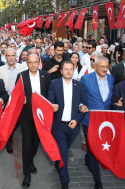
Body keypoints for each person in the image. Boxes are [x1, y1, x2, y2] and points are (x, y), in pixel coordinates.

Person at [48, 61, 87, 189]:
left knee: (64, 150)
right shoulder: (54, 84)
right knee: (64, 153)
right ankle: (65, 182)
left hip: (73, 126)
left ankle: (58, 161)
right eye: (66, 69)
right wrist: (52, 106)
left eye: (71, 69)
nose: (68, 71)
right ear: (61, 71)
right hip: (59, 125)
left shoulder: (79, 85)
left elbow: (84, 106)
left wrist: (76, 120)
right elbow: (50, 101)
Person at [79, 56, 114, 189]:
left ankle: (88, 158)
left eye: (107, 66)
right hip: (90, 120)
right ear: (95, 66)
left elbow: (108, 99)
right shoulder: (86, 79)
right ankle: (97, 181)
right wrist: (81, 105)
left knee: (96, 146)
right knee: (93, 149)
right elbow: (80, 96)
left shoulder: (111, 79)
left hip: (105, 120)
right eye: (102, 67)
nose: (105, 69)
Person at [17, 54, 51, 187]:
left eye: (35, 62)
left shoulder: (45, 76)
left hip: (41, 118)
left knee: (35, 143)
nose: (33, 65)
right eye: (30, 62)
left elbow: (49, 94)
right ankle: (26, 175)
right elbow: (16, 95)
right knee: (26, 143)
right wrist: (21, 100)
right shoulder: (21, 76)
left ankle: (30, 160)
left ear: (39, 63)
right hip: (26, 116)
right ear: (27, 63)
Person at [0, 48, 27, 154]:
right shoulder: (0, 70)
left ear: (16, 56)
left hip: (19, 100)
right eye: (8, 56)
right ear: (5, 57)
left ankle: (10, 134)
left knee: (15, 123)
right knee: (7, 122)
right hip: (6, 99)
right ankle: (8, 143)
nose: (11, 58)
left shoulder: (23, 68)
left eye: (13, 55)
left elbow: (26, 85)